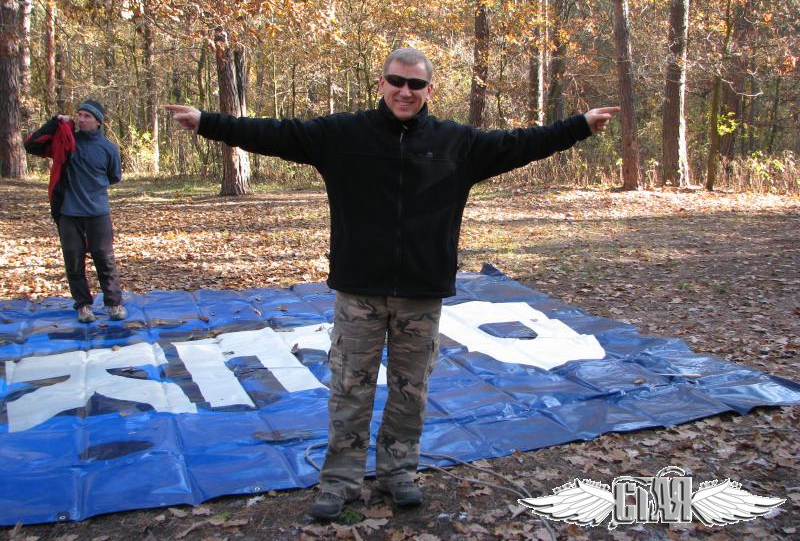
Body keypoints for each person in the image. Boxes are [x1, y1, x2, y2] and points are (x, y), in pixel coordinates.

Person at [166, 48, 618, 520]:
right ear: (381, 84)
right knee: (349, 387)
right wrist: (207, 122)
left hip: (421, 293)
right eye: (397, 81)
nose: (406, 91)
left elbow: (523, 143)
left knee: (410, 390)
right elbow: (273, 132)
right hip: (360, 289)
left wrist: (580, 125)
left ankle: (398, 472)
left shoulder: (457, 144)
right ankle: (340, 480)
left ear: (429, 90)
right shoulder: (340, 135)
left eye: (416, 85)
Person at [24, 100, 127, 323]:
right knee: (73, 260)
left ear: (98, 121)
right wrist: (54, 123)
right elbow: (31, 145)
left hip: (98, 212)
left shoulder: (109, 149)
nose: (81, 119)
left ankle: (114, 303)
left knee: (105, 259)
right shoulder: (65, 142)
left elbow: (114, 177)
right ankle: (83, 306)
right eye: (79, 115)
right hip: (69, 213)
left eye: (87, 116)